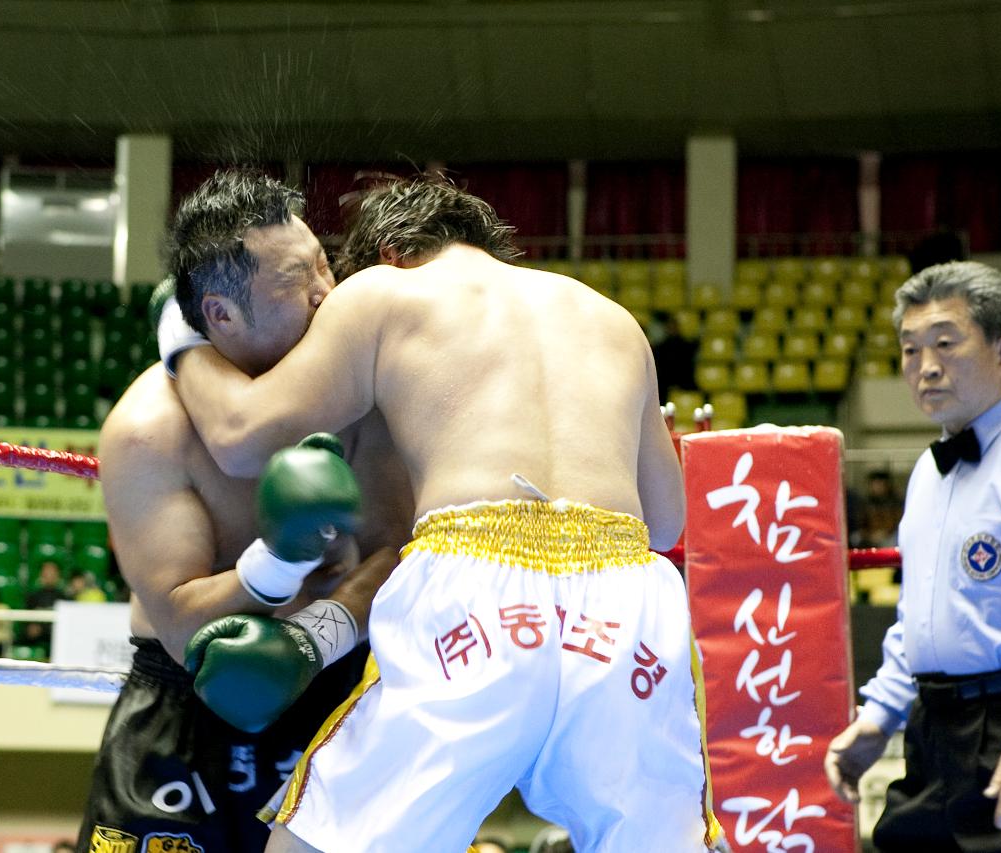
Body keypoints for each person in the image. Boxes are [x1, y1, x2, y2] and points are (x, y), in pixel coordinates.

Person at [163, 178, 714, 852]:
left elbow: (240, 435)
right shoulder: (610, 316)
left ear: (389, 254)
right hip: (625, 604)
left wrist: (181, 338)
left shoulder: (383, 293)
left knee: (318, 840)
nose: (323, 292)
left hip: (477, 589)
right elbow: (664, 524)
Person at [78, 168, 414, 851]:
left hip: (338, 682)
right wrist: (278, 561)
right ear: (223, 314)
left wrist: (314, 633)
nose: (330, 293)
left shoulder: (361, 395)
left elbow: (395, 551)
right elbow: (178, 621)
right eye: (299, 279)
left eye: (327, 263)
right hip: (186, 709)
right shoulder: (150, 429)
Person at [824, 261, 1001, 850]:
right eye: (909, 349)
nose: (925, 367)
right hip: (936, 737)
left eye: (946, 344)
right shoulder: (929, 471)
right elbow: (918, 621)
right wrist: (879, 718)